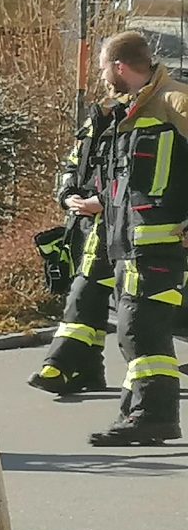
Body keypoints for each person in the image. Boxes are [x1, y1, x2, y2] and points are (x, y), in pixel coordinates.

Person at [90, 32, 188, 447]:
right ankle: (139, 413)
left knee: (141, 327)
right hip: (131, 244)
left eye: (102, 69)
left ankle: (153, 417)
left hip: (160, 243)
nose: (102, 78)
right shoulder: (131, 110)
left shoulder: (174, 101)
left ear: (119, 66)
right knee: (135, 329)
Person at [31, 89, 125, 398]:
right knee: (91, 297)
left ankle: (58, 363)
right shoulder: (96, 120)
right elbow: (73, 164)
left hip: (120, 225)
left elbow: (135, 177)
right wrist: (67, 195)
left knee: (84, 294)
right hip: (84, 226)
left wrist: (103, 201)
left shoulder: (143, 119)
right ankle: (88, 370)